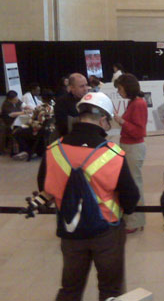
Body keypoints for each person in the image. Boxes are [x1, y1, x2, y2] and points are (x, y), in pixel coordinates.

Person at [37, 92, 140, 301]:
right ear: (103, 120)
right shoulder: (113, 153)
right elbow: (131, 199)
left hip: (70, 231)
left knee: (70, 289)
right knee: (111, 290)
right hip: (107, 232)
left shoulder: (53, 150)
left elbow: (44, 186)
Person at [114, 73, 148, 233]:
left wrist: (122, 122)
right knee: (132, 182)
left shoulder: (138, 104)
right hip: (129, 146)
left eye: (120, 89)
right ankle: (133, 219)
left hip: (133, 147)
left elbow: (139, 131)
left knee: (134, 184)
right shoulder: (134, 103)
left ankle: (135, 221)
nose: (119, 92)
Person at [13, 89, 55, 161]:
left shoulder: (41, 107)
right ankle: (36, 150)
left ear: (42, 98)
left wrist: (26, 124)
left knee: (17, 132)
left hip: (39, 130)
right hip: (51, 130)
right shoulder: (54, 106)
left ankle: (28, 151)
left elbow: (34, 120)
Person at [54, 73, 89, 137]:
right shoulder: (62, 103)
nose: (85, 89)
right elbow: (63, 128)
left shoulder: (90, 100)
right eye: (81, 86)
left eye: (86, 85)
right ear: (72, 88)